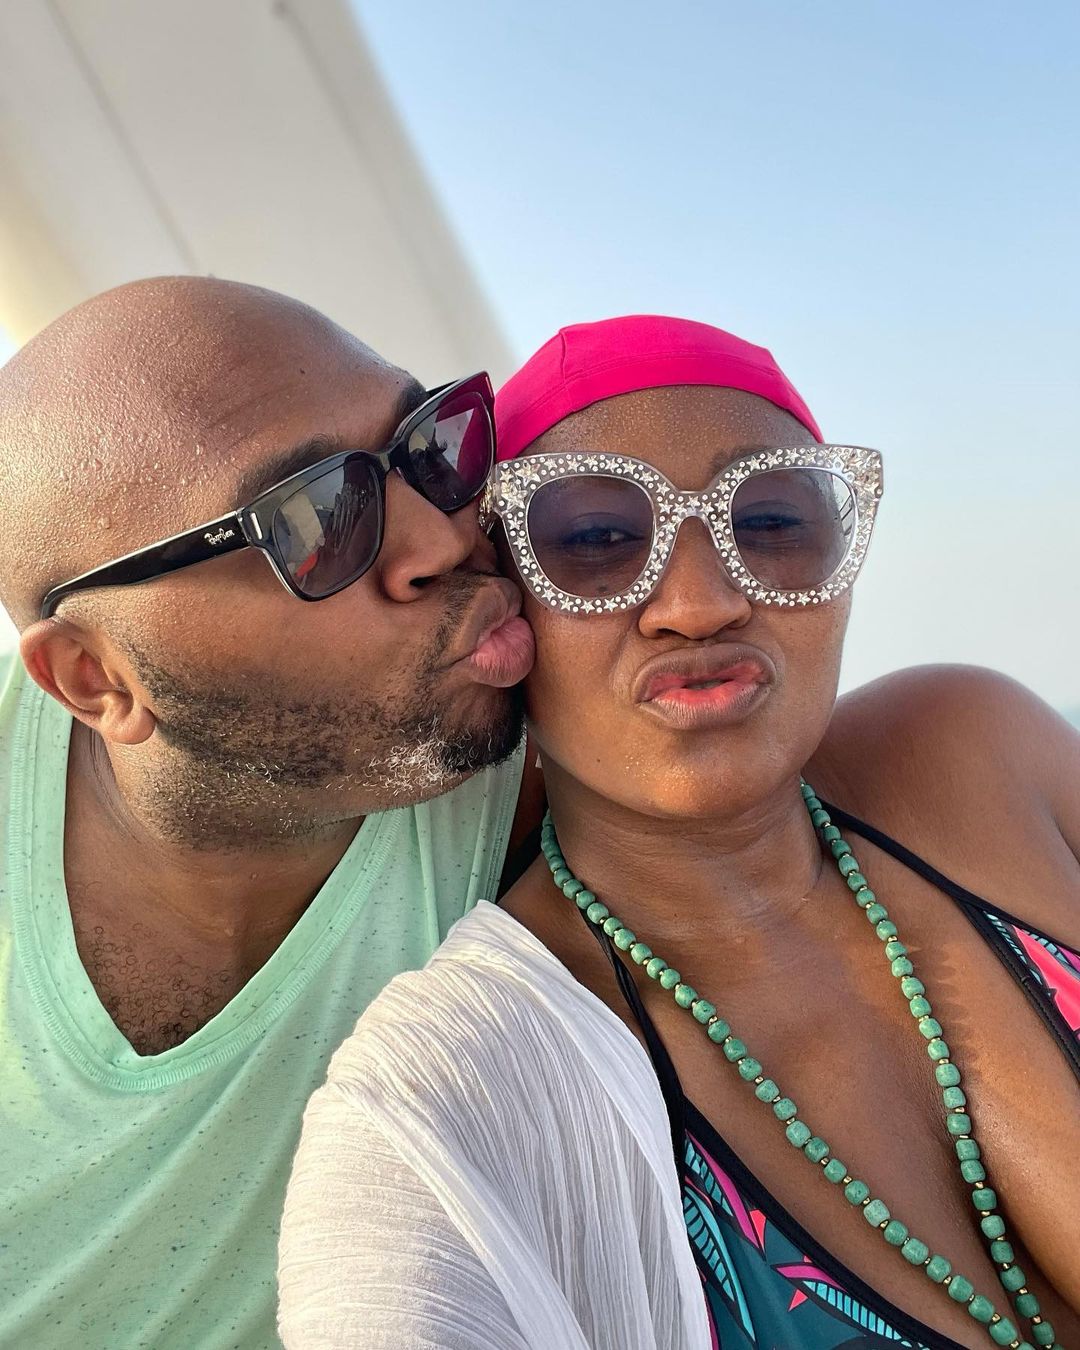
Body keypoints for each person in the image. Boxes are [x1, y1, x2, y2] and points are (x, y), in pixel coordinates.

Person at [279, 315, 1080, 1350]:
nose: (700, 605)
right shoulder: (447, 1100)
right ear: (503, 608)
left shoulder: (974, 756)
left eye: (772, 521)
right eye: (596, 541)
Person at [0, 275, 541, 1350]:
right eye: (315, 519)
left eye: (431, 446)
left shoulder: (545, 763)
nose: (441, 538)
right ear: (97, 678)